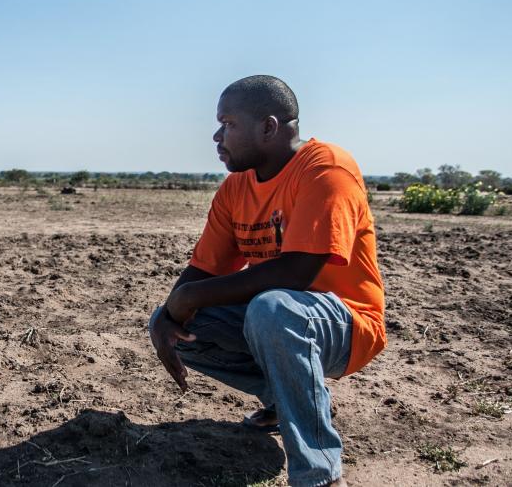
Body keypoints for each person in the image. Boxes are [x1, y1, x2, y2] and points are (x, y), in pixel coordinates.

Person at [148, 75, 386, 487]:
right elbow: (205, 268)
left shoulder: (326, 169)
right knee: (175, 323)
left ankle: (321, 475)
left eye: (228, 124)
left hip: (346, 324)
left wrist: (189, 296)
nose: (217, 135)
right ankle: (285, 401)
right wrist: (170, 314)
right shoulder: (236, 187)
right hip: (276, 320)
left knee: (271, 307)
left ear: (269, 127)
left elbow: (296, 272)